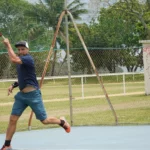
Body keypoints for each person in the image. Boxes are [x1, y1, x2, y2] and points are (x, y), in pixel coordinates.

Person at [1, 39, 71, 150]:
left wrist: (7, 45)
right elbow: (24, 78)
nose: (20, 51)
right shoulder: (20, 62)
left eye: (23, 49)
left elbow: (13, 58)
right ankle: (7, 145)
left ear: (27, 50)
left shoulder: (28, 59)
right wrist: (14, 85)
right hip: (21, 96)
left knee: (45, 120)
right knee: (13, 119)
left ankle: (62, 122)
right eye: (18, 49)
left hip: (33, 95)